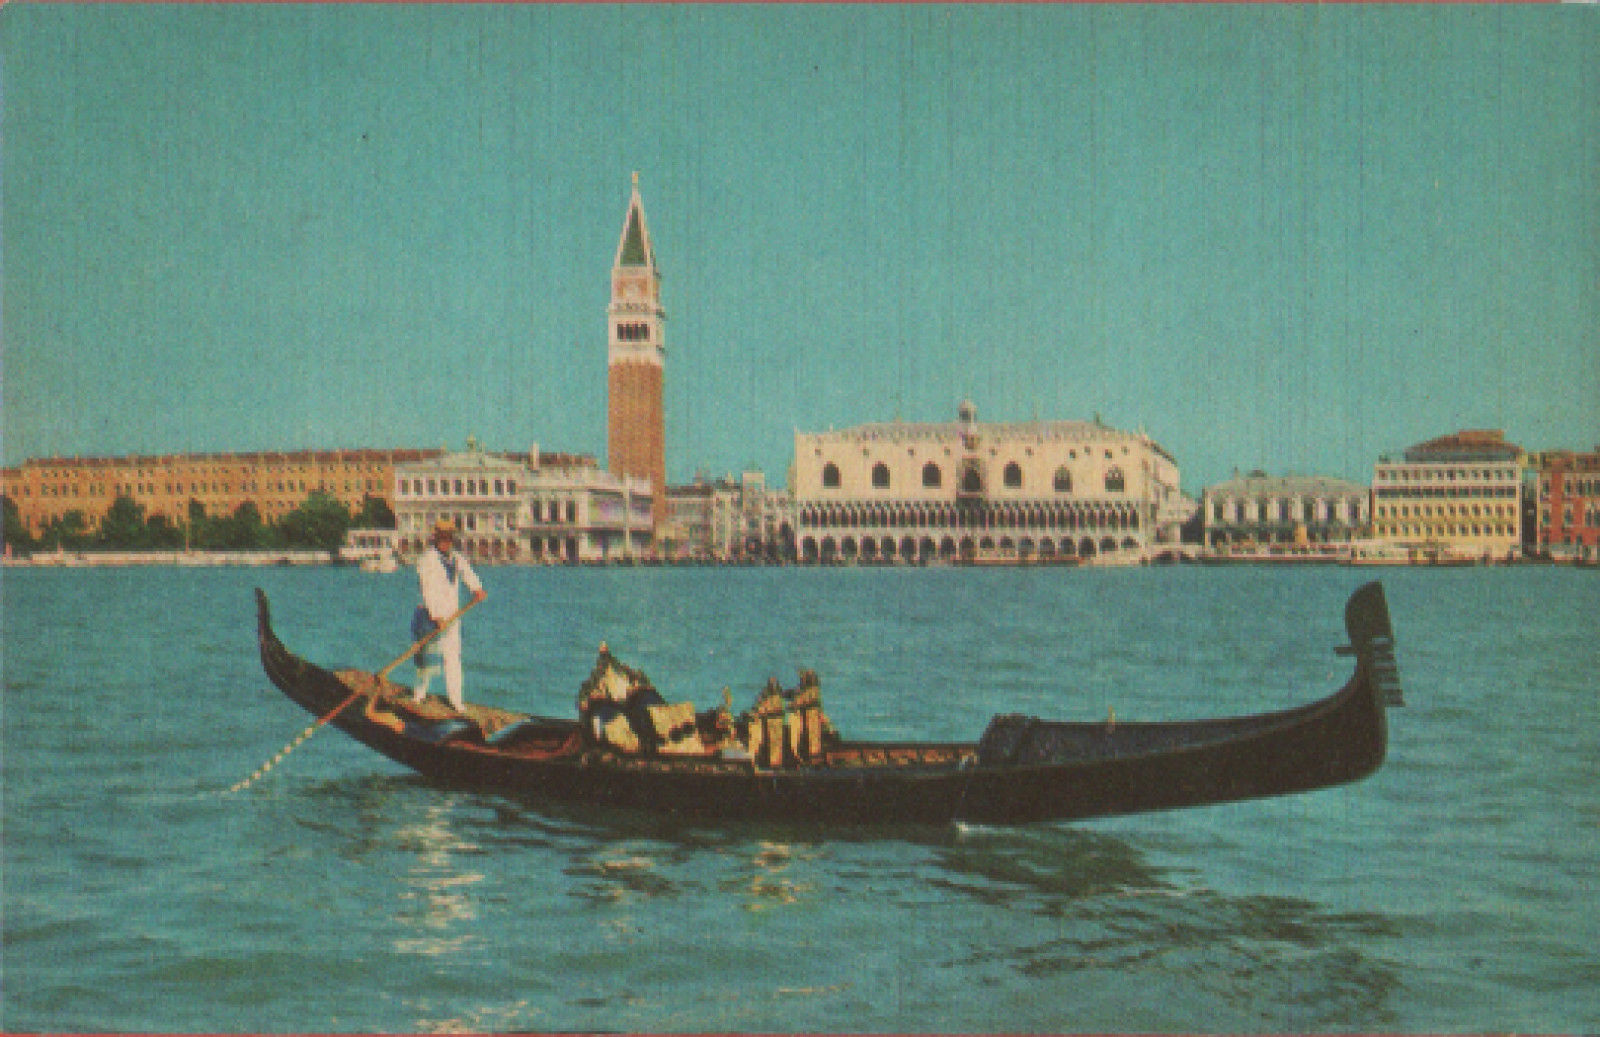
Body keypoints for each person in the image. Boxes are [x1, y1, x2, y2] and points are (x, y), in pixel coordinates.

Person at [412, 518, 487, 710]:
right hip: (429, 615)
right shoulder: (427, 559)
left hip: (452, 616)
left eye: (449, 538)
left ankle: (456, 700)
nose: (446, 542)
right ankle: (419, 695)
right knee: (426, 658)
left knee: (453, 657)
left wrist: (477, 589)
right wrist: (435, 615)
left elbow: (468, 573)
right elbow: (426, 588)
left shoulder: (457, 558)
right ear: (436, 538)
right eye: (442, 538)